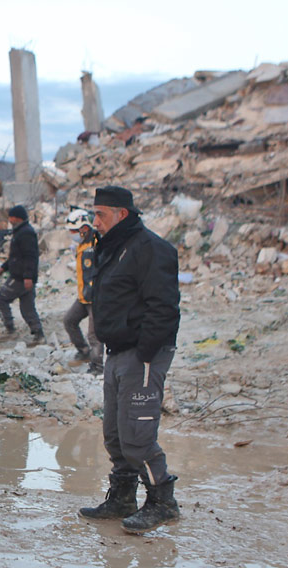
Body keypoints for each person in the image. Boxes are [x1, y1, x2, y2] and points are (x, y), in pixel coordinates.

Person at [78, 185, 181, 534]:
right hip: (117, 352)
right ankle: (122, 498)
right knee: (115, 435)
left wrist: (146, 351)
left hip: (142, 354)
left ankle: (163, 502)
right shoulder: (112, 247)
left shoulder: (150, 248)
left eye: (101, 215)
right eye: (94, 214)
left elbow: (164, 307)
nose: (95, 222)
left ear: (122, 214)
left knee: (137, 435)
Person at [0, 204, 44, 344]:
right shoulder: (20, 231)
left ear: (16, 218)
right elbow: (16, 256)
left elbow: (30, 257)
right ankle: (39, 335)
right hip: (23, 277)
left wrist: (28, 277)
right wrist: (4, 267)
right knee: (27, 307)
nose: (9, 220)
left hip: (21, 278)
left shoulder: (26, 233)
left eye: (11, 217)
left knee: (1, 300)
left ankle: (10, 331)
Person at [62, 208, 103, 373]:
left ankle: (98, 366)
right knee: (69, 321)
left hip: (95, 298)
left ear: (84, 228)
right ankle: (84, 352)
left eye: (74, 231)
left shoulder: (96, 243)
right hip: (84, 296)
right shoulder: (81, 245)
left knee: (94, 335)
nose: (72, 234)